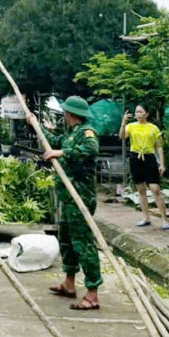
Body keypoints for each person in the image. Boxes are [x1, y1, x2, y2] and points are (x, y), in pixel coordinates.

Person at [44, 96, 102, 311]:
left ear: (71, 114)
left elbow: (91, 149)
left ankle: (93, 293)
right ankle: (69, 284)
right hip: (67, 198)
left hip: (81, 198)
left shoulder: (87, 132)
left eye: (65, 112)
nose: (64, 115)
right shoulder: (70, 134)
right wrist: (33, 123)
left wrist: (62, 153)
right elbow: (54, 140)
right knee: (66, 239)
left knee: (83, 243)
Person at [120, 104, 169, 230]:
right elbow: (122, 137)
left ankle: (164, 219)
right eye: (136, 112)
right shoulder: (131, 126)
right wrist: (123, 122)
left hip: (149, 157)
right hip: (135, 157)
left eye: (141, 112)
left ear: (146, 114)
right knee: (141, 189)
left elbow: (159, 146)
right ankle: (146, 217)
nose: (138, 114)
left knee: (155, 189)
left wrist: (162, 163)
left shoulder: (153, 128)